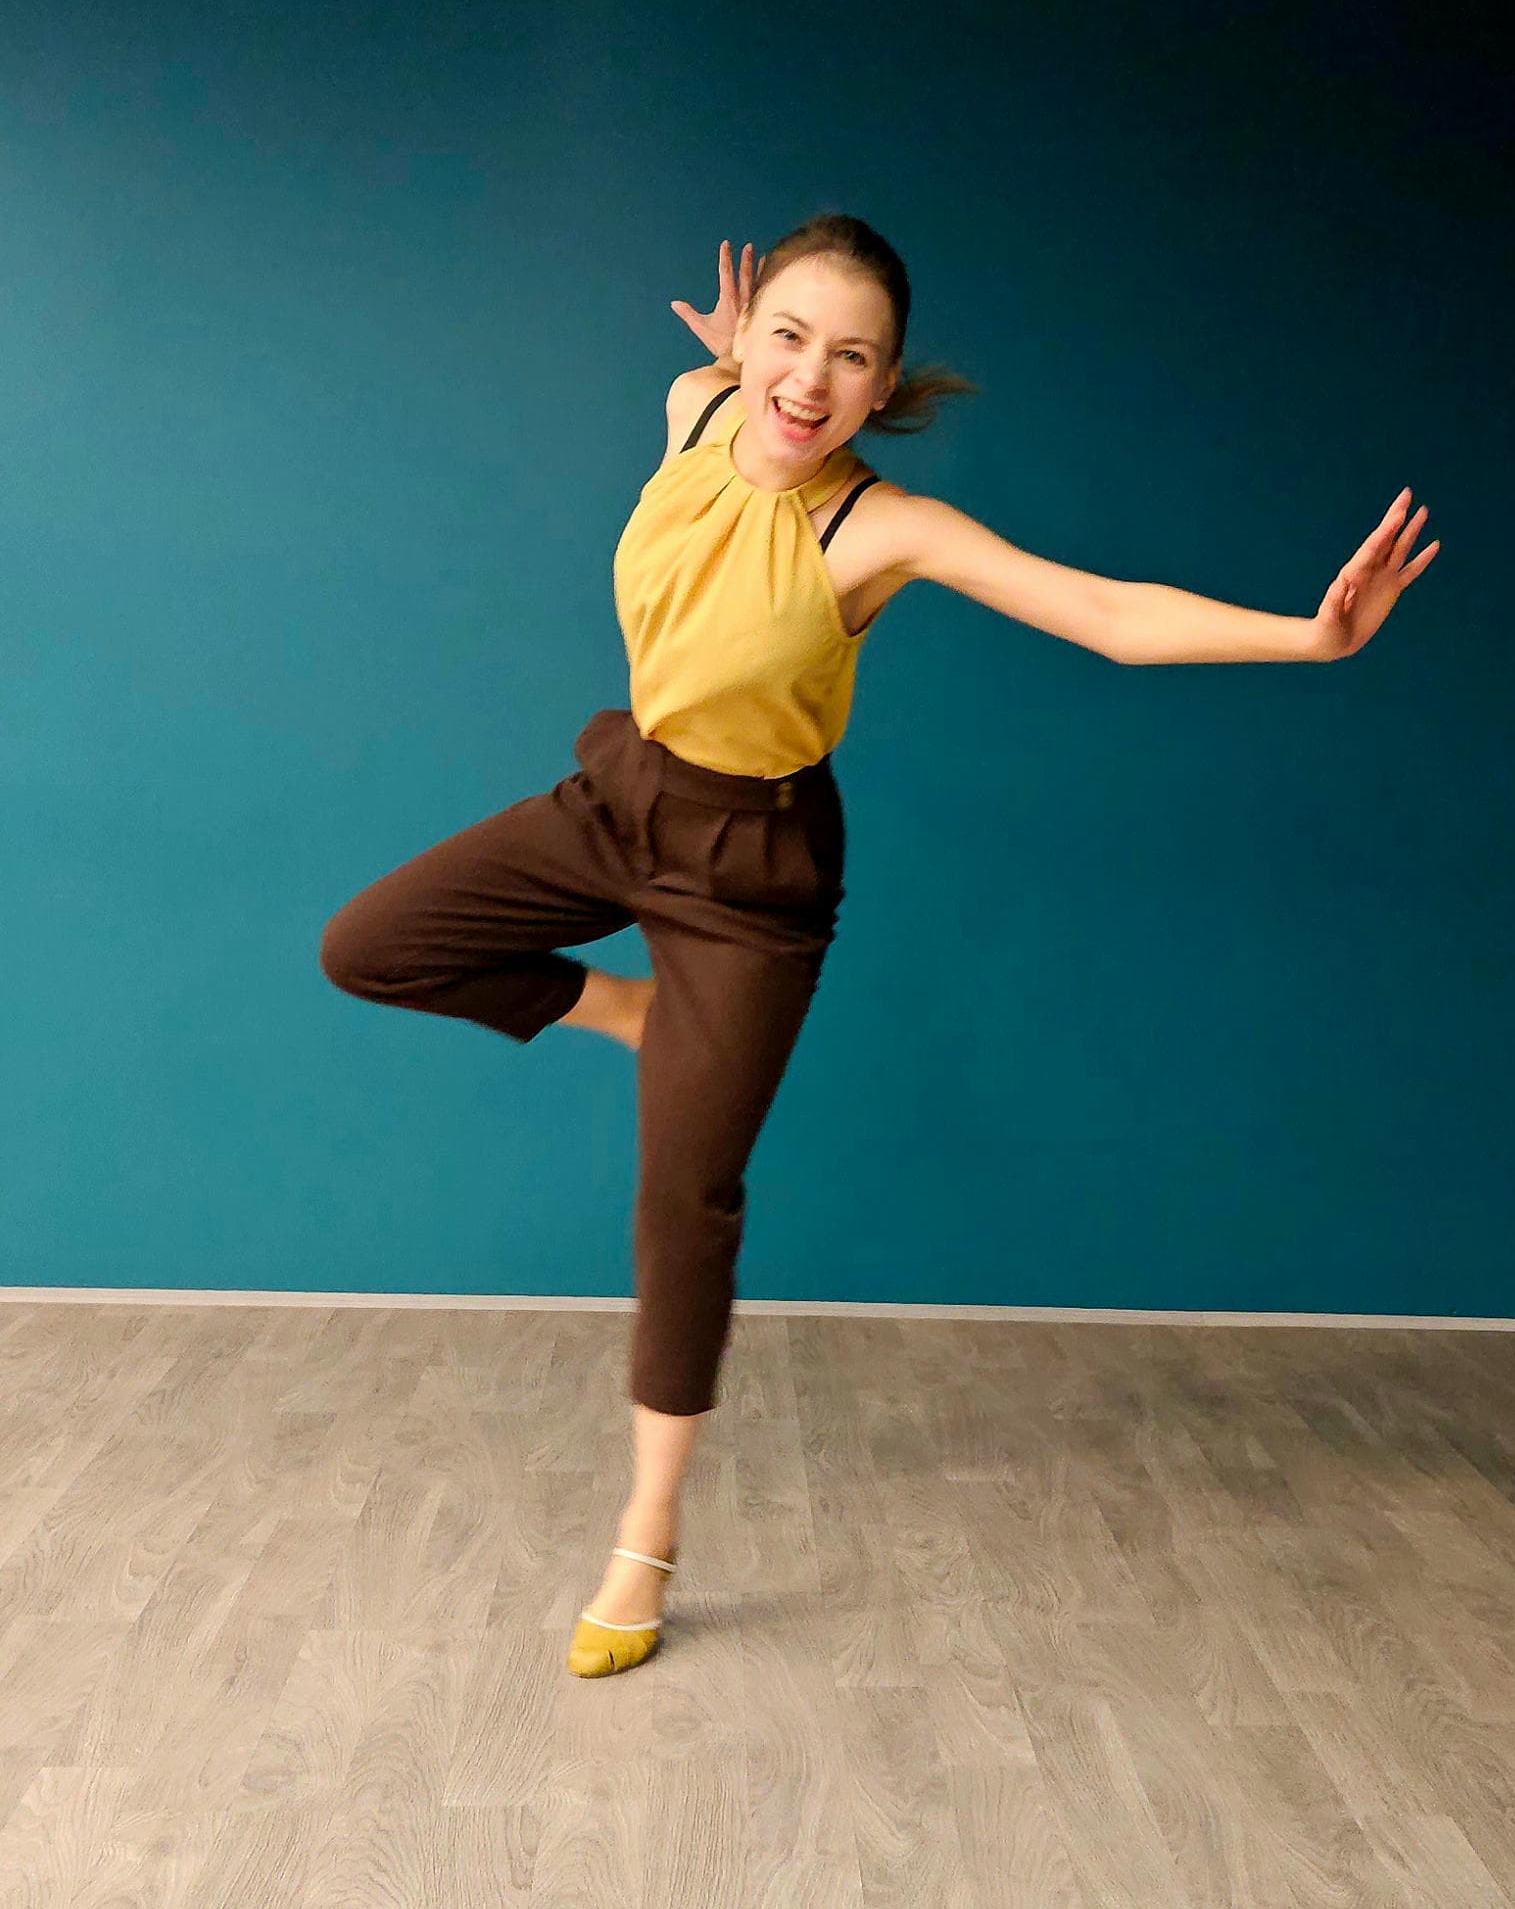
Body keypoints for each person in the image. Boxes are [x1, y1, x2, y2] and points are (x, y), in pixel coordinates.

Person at [319, 212, 1440, 1679]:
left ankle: (645, 1536)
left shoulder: (881, 527)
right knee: (372, 944)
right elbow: (725, 414)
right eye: (787, 337)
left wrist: (1309, 637)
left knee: (684, 1196)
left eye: (849, 358)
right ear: (744, 341)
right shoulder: (694, 406)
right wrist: (739, 362)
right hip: (619, 795)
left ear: (884, 382)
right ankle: (637, 1021)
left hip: (750, 871)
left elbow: (1100, 613)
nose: (807, 379)